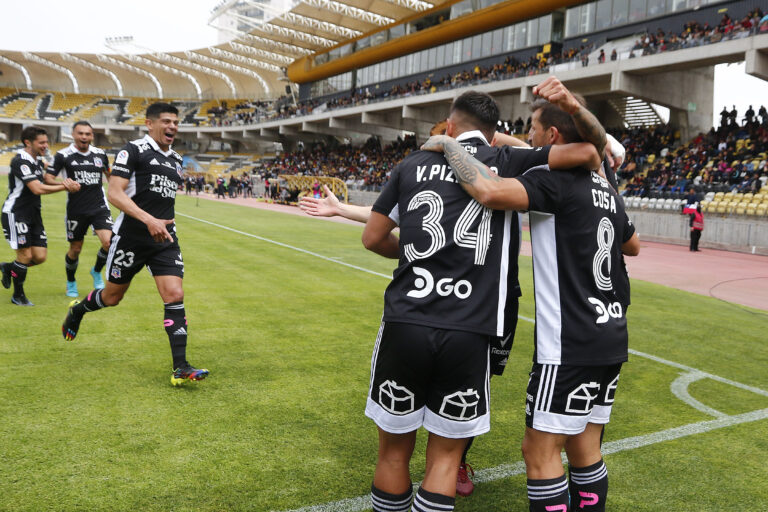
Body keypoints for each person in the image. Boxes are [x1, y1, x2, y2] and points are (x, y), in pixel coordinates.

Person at [359, 90, 602, 512]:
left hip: (406, 319)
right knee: (445, 458)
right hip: (472, 328)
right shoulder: (506, 162)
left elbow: (373, 237)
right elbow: (588, 151)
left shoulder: (411, 164)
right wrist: (500, 144)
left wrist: (419, 253)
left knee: (393, 454)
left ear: (448, 127)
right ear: (492, 134)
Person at [423, 87, 640, 512]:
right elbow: (632, 246)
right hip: (612, 331)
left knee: (539, 451)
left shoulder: (550, 181)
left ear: (554, 135)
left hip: (568, 342)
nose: (528, 136)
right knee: (585, 445)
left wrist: (450, 143)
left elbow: (488, 191)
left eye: (533, 129)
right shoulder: (604, 182)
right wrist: (496, 138)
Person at [61, 102, 209, 386]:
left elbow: (163, 200)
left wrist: (163, 223)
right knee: (113, 297)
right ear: (149, 123)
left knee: (174, 294)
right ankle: (78, 310)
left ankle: (181, 366)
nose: (172, 127)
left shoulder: (176, 159)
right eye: (166, 121)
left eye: (175, 122)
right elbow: (115, 193)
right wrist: (148, 220)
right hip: (131, 236)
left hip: (164, 239)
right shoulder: (133, 151)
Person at [1, 126, 80, 305]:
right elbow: (37, 188)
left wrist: (64, 181)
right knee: (25, 255)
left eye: (46, 142)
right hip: (16, 213)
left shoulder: (37, 161)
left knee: (40, 256)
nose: (46, 145)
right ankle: (18, 295)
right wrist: (65, 186)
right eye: (42, 142)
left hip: (33, 214)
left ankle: (9, 268)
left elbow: (46, 179)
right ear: (28, 142)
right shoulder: (21, 161)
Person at [45, 121, 113, 298]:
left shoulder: (100, 154)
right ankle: (71, 281)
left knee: (109, 243)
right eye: (80, 133)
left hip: (99, 206)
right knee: (75, 249)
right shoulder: (63, 155)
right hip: (76, 209)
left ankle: (96, 271)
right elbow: (48, 178)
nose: (84, 137)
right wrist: (63, 183)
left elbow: (110, 176)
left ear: (92, 136)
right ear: (73, 135)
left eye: (88, 134)